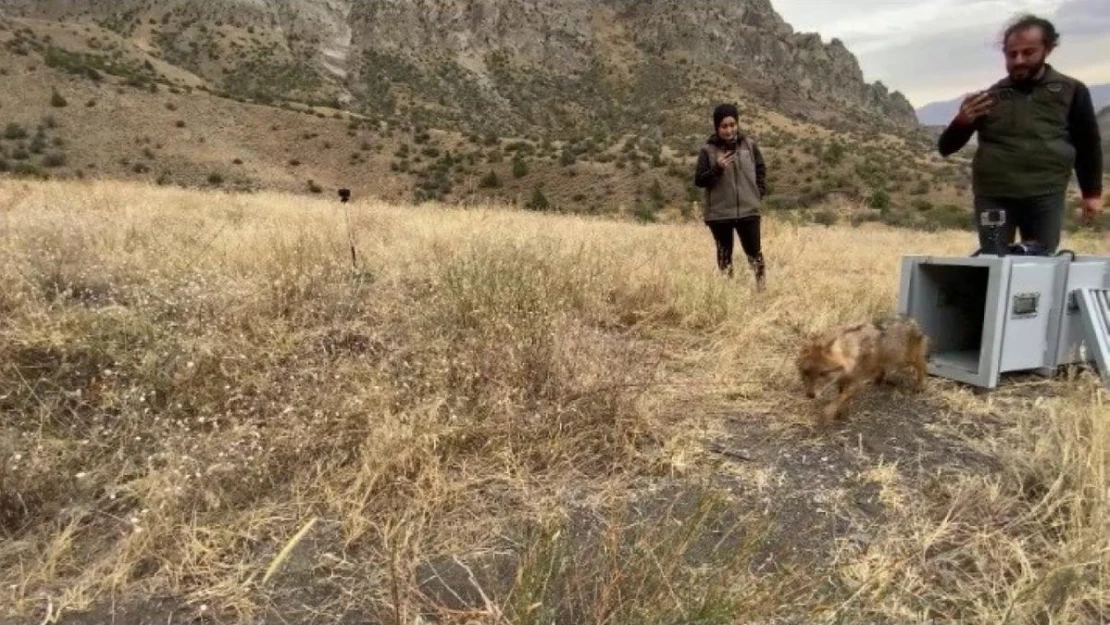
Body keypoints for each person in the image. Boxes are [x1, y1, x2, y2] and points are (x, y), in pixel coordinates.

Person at [937, 14, 1103, 255]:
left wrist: (1092, 194)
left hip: (1045, 194)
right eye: (1011, 54)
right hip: (994, 195)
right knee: (993, 260)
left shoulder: (1071, 91)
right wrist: (962, 121)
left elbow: (1088, 144)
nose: (1018, 60)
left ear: (1048, 49)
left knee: (1040, 261)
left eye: (1028, 52)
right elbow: (946, 147)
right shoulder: (990, 97)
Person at [694, 103, 768, 289]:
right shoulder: (708, 150)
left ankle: (762, 290)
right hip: (720, 215)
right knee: (724, 257)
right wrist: (716, 169)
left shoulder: (749, 146)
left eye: (732, 124)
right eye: (724, 126)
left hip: (748, 210)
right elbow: (700, 180)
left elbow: (761, 169)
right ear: (717, 127)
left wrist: (758, 193)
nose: (729, 130)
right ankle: (729, 294)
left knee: (755, 254)